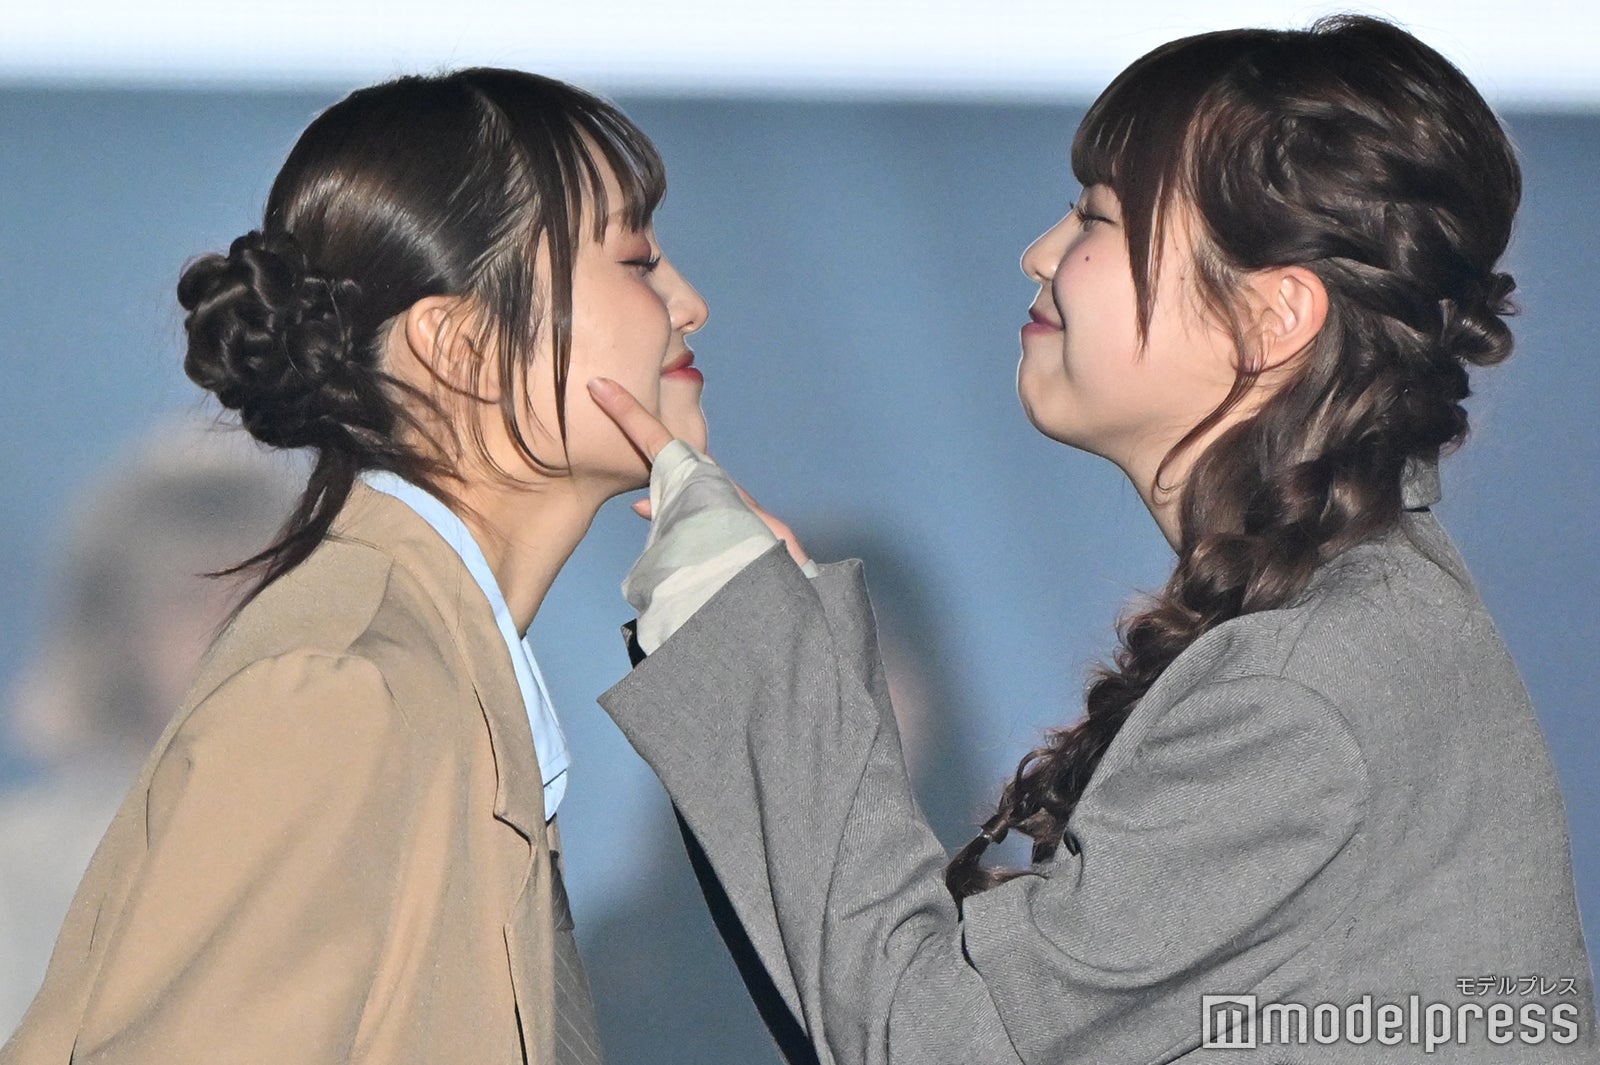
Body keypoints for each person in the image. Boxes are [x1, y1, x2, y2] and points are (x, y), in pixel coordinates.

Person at [588, 16, 1596, 1063]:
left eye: (1097, 218)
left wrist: (746, 633)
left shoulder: (1303, 685)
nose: (1040, 254)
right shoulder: (1352, 629)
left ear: (1271, 318)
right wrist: (793, 648)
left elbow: (933, 1037)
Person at [1, 68, 707, 1065]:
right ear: (460, 347)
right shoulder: (341, 687)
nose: (690, 304)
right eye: (636, 260)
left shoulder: (426, 671)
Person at [0, 416, 298, 1039]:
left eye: (259, 594)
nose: (232, 632)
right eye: (192, 602)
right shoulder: (18, 872)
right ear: (120, 638)